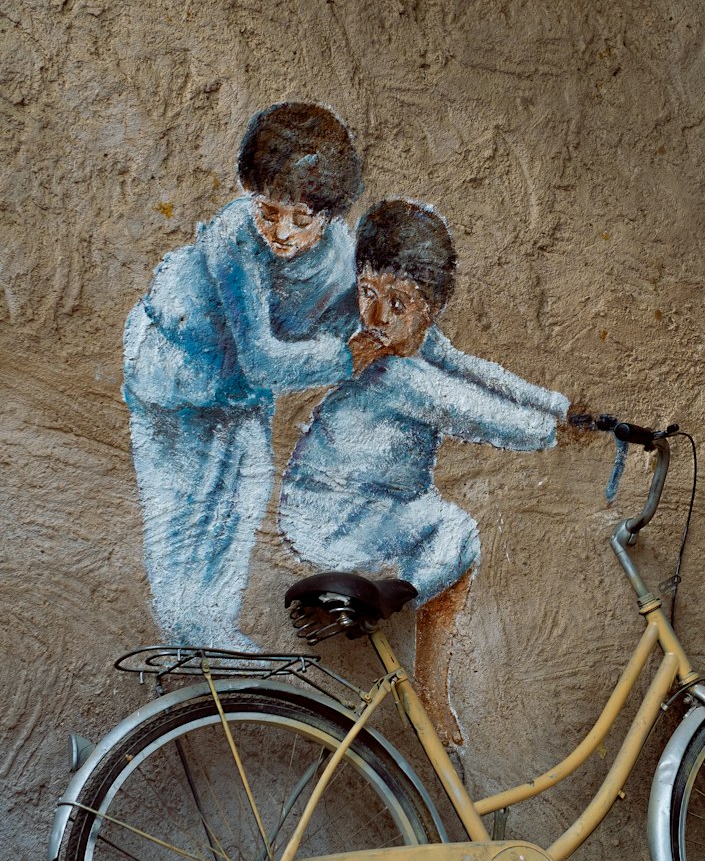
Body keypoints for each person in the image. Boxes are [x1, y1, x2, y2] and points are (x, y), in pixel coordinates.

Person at [279, 199, 569, 744]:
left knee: (444, 533)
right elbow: (475, 411)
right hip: (334, 514)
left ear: (430, 309)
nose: (377, 317)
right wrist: (554, 432)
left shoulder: (424, 348)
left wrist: (562, 407)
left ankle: (430, 691)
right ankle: (390, 611)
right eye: (367, 294)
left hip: (369, 504)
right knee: (457, 533)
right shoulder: (396, 375)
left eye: (398, 302)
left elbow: (475, 373)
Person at [123, 101, 362, 650]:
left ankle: (208, 639)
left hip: (240, 396)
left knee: (242, 500)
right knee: (180, 515)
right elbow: (262, 358)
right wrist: (350, 357)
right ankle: (187, 645)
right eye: (269, 211)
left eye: (301, 219)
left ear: (328, 213)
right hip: (173, 380)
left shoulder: (340, 254)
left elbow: (363, 322)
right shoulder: (235, 237)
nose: (281, 232)